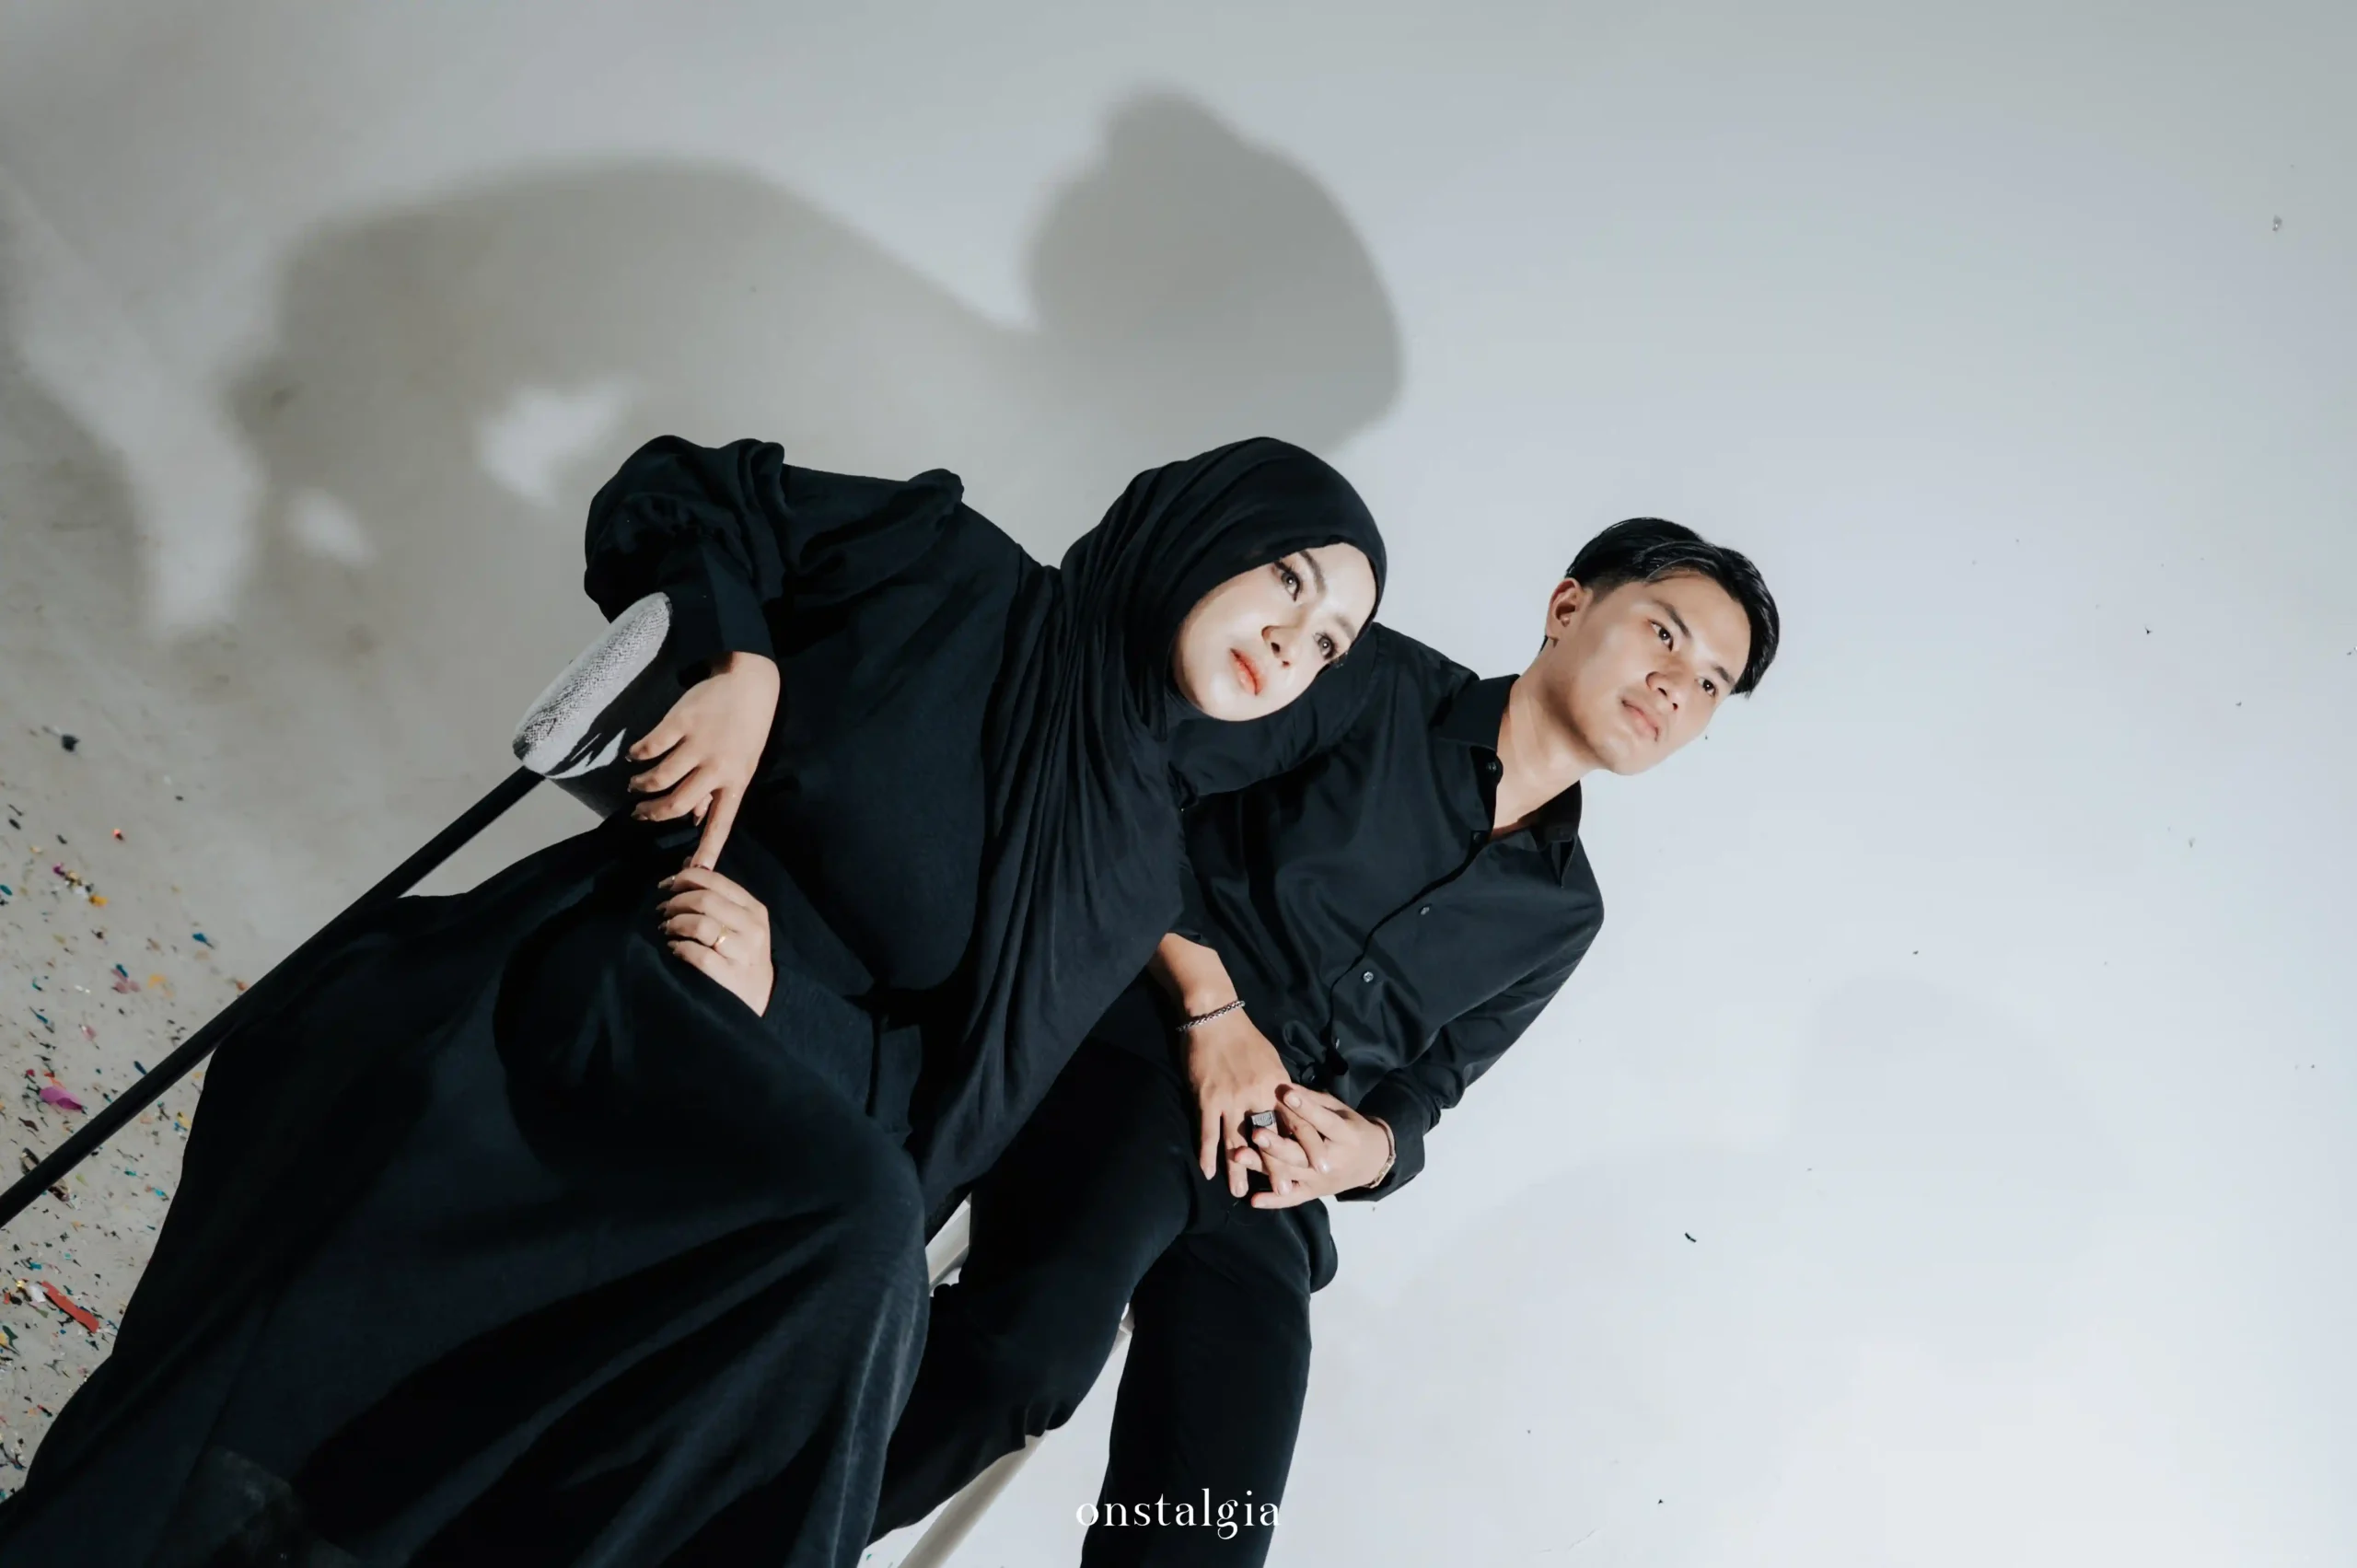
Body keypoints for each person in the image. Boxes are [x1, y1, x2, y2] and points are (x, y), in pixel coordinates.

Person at [0, 436, 1386, 1567]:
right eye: (1288, 577)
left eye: (1329, 643)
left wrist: (783, 1001)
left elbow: (942, 1116)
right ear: (1202, 529)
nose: (1292, 640)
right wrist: (742, 662)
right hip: (625, 976)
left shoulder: (1134, 865)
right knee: (846, 1237)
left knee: (858, 1245)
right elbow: (681, 491)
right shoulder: (946, 571)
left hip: (791, 1121)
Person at [873, 518, 1781, 1565]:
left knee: (1211, 1524)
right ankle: (747, 1528)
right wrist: (1212, 1007)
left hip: (1273, 1180)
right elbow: (1133, 798)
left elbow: (1432, 1083)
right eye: (1664, 634)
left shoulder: (1567, 914)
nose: (1677, 687)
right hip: (1140, 1052)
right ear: (1569, 607)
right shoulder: (1371, 681)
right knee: (1026, 1357)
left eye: (1711, 684)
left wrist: (1372, 1151)